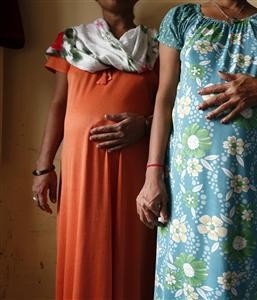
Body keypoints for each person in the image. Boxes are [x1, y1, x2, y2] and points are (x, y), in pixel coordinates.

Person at [135, 0, 257, 298]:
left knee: (244, 276)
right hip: (190, 180)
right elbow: (164, 98)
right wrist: (153, 173)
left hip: (251, 178)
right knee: (189, 273)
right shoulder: (183, 18)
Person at [31, 0, 158, 298]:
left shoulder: (157, 46)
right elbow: (58, 105)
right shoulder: (71, 41)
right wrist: (43, 166)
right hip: (80, 171)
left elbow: (173, 108)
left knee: (132, 249)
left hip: (136, 171)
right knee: (83, 247)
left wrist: (145, 124)